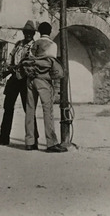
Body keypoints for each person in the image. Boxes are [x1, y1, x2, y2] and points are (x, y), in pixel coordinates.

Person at [0, 20, 39, 146]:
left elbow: (34, 63)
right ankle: (3, 137)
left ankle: (33, 139)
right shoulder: (18, 44)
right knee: (8, 107)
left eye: (31, 33)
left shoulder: (35, 46)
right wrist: (10, 68)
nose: (28, 35)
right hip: (14, 79)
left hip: (26, 80)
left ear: (34, 34)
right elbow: (10, 58)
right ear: (23, 33)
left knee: (28, 109)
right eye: (26, 32)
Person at [22, 22, 67, 153]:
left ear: (39, 31)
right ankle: (51, 143)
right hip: (44, 79)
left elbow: (28, 58)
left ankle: (30, 141)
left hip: (30, 79)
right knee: (48, 110)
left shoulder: (33, 44)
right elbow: (50, 63)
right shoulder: (52, 45)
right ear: (50, 31)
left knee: (30, 110)